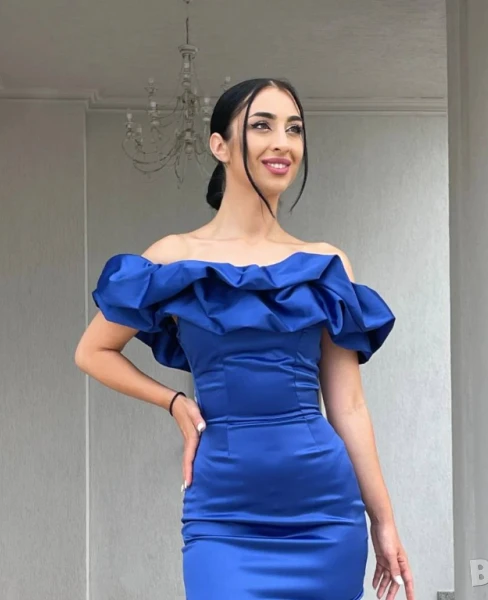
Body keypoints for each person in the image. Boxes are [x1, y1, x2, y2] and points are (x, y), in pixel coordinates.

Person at [75, 78, 415, 600]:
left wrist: (384, 520)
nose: (283, 142)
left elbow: (348, 405)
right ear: (220, 146)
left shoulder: (325, 264)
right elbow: (92, 351)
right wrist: (174, 403)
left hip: (324, 513)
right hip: (223, 514)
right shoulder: (175, 257)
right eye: (262, 126)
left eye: (294, 129)